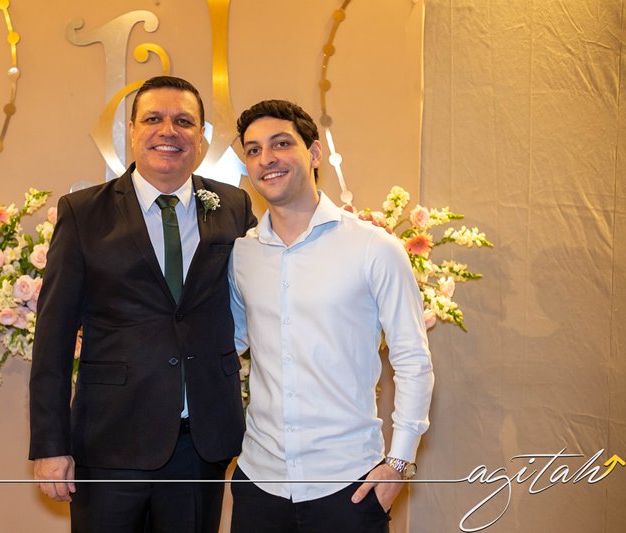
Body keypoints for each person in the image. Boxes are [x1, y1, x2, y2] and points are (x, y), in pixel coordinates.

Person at [29, 75, 256, 533]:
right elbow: (53, 337)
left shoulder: (233, 206)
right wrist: (51, 444)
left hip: (201, 443)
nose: (168, 131)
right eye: (153, 119)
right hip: (109, 439)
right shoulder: (82, 213)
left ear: (201, 136)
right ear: (132, 131)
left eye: (183, 121)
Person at [228, 100, 434, 533]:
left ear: (315, 153)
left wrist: (399, 463)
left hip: (348, 484)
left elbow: (413, 360)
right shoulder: (242, 254)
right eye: (253, 150)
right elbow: (227, 342)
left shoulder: (374, 248)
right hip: (259, 482)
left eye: (281, 144)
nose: (266, 159)